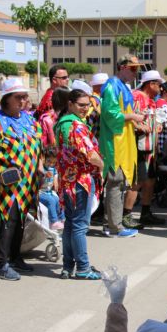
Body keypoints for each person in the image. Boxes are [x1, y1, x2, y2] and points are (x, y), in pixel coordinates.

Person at [0, 78, 42, 281]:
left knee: (21, 220)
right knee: (9, 220)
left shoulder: (29, 119)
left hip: (29, 181)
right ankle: (3, 263)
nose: (24, 100)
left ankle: (16, 257)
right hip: (8, 182)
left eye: (25, 96)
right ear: (7, 99)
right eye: (19, 97)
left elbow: (39, 144)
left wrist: (41, 168)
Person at [54, 89, 104, 279]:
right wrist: (102, 164)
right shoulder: (76, 126)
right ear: (70, 104)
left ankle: (68, 266)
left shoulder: (61, 124)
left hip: (66, 180)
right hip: (80, 181)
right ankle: (83, 267)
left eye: (87, 105)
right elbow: (90, 155)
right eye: (81, 105)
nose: (85, 109)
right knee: (80, 226)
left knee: (70, 225)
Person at [100, 55, 145, 237]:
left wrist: (135, 121)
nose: (136, 73)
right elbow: (110, 115)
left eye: (137, 69)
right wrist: (133, 117)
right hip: (114, 143)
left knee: (118, 184)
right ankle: (115, 227)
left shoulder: (123, 87)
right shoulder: (112, 86)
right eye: (133, 69)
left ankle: (110, 224)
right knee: (115, 184)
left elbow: (123, 113)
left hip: (123, 142)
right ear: (122, 67)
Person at [123, 70, 166, 227]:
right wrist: (139, 125)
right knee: (137, 181)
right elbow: (129, 117)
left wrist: (157, 126)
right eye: (159, 85)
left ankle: (145, 213)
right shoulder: (137, 96)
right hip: (139, 146)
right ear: (151, 84)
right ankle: (126, 215)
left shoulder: (151, 99)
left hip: (150, 147)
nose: (161, 88)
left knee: (150, 181)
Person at [39, 146, 65, 231]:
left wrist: (55, 182)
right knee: (51, 200)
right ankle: (53, 222)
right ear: (44, 159)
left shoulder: (53, 169)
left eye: (53, 162)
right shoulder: (41, 168)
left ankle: (62, 219)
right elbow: (39, 180)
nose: (51, 164)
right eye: (49, 161)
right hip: (41, 192)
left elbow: (55, 175)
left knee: (58, 199)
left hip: (49, 192)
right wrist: (44, 175)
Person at [88, 73, 108, 139]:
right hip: (95, 138)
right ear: (101, 86)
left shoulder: (97, 99)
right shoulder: (94, 101)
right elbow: (90, 122)